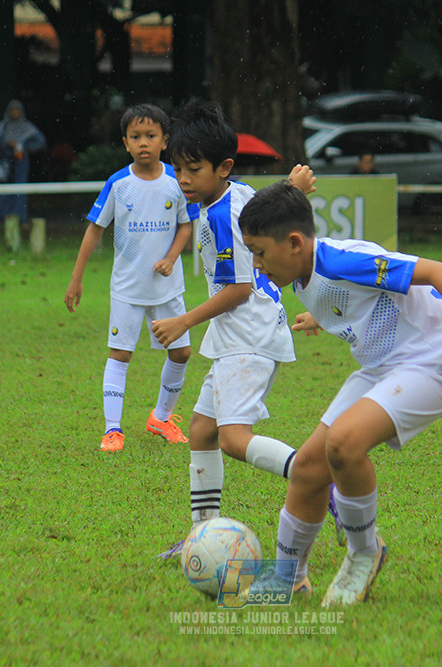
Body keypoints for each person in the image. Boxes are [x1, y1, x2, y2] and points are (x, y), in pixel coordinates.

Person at [238, 181, 442, 606]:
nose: (256, 264)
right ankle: (288, 577)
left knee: (345, 442)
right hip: (386, 364)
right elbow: (348, 299)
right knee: (310, 466)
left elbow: (437, 271)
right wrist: (317, 315)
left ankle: (365, 552)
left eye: (259, 252)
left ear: (294, 242)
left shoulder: (344, 261)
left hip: (435, 358)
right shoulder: (300, 269)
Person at [149, 100, 316, 560]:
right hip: (236, 336)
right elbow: (263, 204)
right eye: (177, 168)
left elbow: (240, 288)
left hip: (248, 334)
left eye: (192, 169)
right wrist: (292, 188)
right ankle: (202, 533)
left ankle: (317, 478)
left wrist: (184, 319)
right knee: (202, 431)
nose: (182, 178)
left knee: (232, 437)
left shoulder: (221, 215)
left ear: (222, 167)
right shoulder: (229, 194)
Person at [64, 104, 197, 453]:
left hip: (167, 288)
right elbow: (94, 231)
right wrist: (76, 279)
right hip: (127, 289)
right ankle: (113, 431)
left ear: (164, 140)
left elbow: (186, 224)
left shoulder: (176, 180)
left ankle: (162, 418)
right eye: (135, 137)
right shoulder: (118, 183)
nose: (143, 143)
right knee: (119, 355)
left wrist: (170, 258)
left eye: (151, 136)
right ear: (125, 143)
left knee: (182, 352)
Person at [0, 100, 46, 226]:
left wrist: (25, 148)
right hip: (5, 161)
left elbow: (40, 141)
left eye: (17, 110)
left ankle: (19, 217)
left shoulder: (27, 127)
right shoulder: (3, 126)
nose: (15, 113)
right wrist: (8, 143)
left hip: (20, 161)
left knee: (20, 188)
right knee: (3, 188)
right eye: (13, 110)